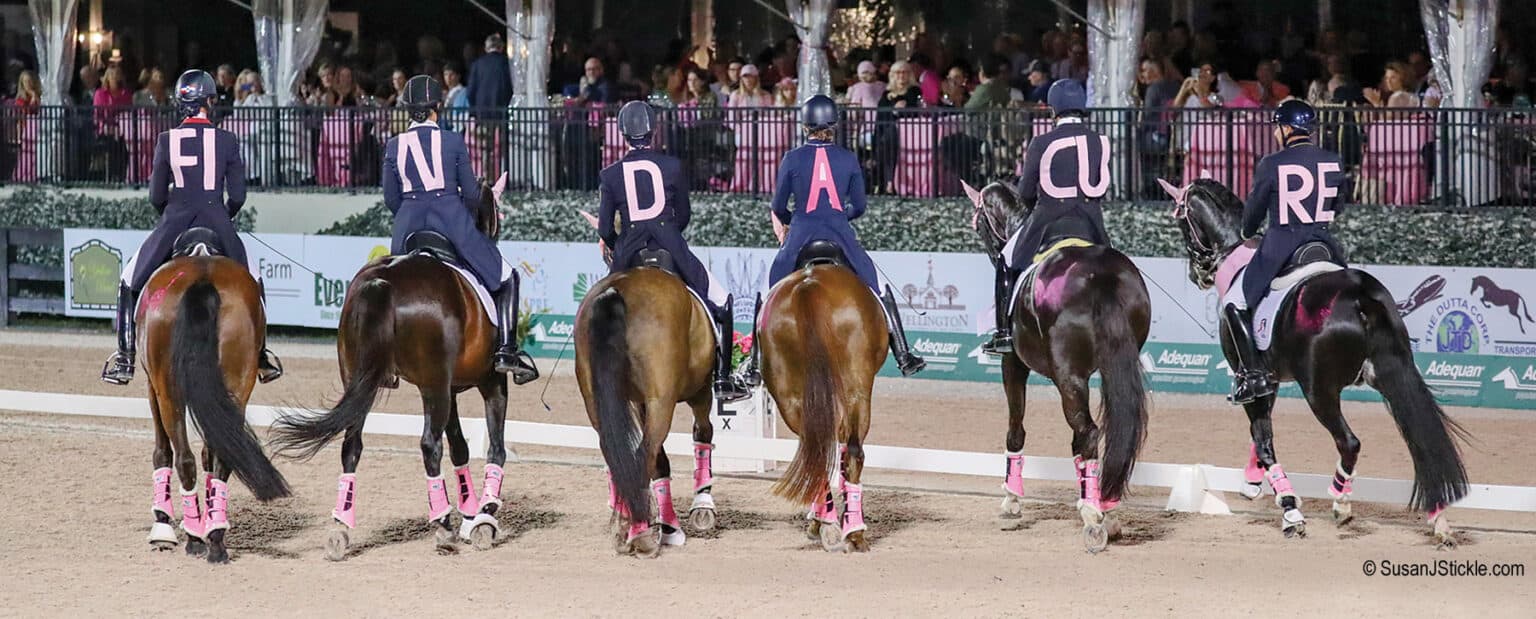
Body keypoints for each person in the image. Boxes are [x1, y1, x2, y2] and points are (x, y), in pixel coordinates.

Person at [101, 70, 283, 385]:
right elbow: (238, 195)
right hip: (217, 220)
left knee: (129, 279)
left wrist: (171, 214)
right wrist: (224, 215)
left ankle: (125, 357)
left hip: (175, 221)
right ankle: (262, 355)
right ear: (208, 102)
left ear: (181, 103)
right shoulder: (227, 139)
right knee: (254, 279)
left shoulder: (166, 140)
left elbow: (156, 195)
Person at [381, 75, 538, 384]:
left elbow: (390, 198)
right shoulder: (452, 141)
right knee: (507, 277)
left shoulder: (393, 145)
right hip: (451, 221)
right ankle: (506, 350)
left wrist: (412, 213)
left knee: (388, 288)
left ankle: (387, 358)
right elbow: (469, 193)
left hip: (407, 226)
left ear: (409, 109)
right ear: (437, 108)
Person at [757, 95, 926, 377]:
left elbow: (777, 206)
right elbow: (859, 206)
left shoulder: (792, 158)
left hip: (800, 235)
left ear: (804, 127)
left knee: (769, 291)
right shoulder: (848, 158)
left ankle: (753, 363)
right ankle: (903, 351)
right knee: (878, 287)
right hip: (840, 236)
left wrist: (791, 223)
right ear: (834, 125)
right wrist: (837, 216)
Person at [596, 101, 750, 402]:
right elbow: (684, 215)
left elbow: (604, 229)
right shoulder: (672, 166)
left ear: (623, 134)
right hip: (671, 248)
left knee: (598, 311)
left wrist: (620, 244)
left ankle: (595, 372)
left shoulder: (610, 174)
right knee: (721, 301)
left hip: (629, 254)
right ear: (653, 131)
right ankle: (722, 378)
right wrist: (667, 234)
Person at [1224, 99, 1348, 404]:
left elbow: (1253, 215)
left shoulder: (1272, 163)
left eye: (1278, 127)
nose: (1276, 133)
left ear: (1287, 128)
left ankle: (1252, 376)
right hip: (1323, 245)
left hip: (1282, 245)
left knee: (1233, 301)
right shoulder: (1333, 160)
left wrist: (1247, 232)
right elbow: (1339, 207)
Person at [983, 80, 1112, 355]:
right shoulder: (1100, 142)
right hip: (1091, 223)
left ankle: (1004, 333)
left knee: (1007, 262)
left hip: (1049, 220)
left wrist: (1032, 202)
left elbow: (1026, 192)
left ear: (1053, 110)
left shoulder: (1042, 142)